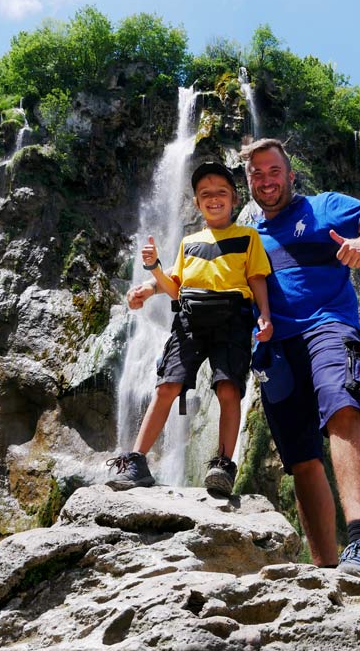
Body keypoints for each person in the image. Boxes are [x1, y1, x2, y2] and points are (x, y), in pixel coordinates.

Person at [240, 137, 360, 577]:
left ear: (290, 176)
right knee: (299, 458)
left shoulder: (324, 207)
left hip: (328, 326)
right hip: (274, 350)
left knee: (343, 405)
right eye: (257, 174)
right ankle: (327, 568)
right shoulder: (247, 235)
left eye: (274, 171)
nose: (267, 180)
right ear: (249, 182)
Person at [106, 160, 273, 496]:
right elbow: (176, 286)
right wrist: (152, 272)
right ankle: (136, 461)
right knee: (167, 386)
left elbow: (256, 278)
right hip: (189, 320)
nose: (214, 198)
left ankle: (223, 464)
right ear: (197, 202)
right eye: (205, 194)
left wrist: (264, 315)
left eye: (221, 193)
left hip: (233, 318)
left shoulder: (247, 236)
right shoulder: (189, 241)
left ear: (235, 199)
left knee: (228, 389)